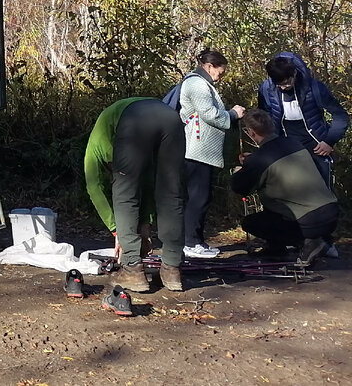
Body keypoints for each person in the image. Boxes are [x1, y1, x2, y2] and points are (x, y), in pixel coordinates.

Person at [84, 97, 185, 292]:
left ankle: (132, 269)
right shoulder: (109, 137)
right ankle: (172, 269)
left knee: (124, 191)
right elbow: (147, 181)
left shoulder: (95, 149)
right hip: (171, 118)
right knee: (172, 192)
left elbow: (94, 188)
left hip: (135, 119)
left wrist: (118, 231)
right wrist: (142, 226)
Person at [231, 108, 339, 266]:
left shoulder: (259, 160)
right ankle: (278, 249)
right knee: (274, 201)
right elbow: (274, 159)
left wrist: (241, 170)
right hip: (332, 212)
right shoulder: (293, 142)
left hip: (310, 221)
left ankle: (310, 243)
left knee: (251, 222)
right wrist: (252, 162)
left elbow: (239, 187)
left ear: (251, 133)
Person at [178, 49, 244, 259]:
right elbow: (210, 114)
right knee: (198, 197)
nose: (220, 77)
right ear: (209, 67)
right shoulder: (196, 83)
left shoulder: (202, 83)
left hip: (203, 149)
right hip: (196, 149)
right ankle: (190, 243)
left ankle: (196, 241)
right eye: (220, 72)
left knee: (202, 196)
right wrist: (233, 114)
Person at [257, 52, 348, 193]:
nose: (284, 87)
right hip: (285, 145)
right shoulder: (266, 90)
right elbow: (264, 118)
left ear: (294, 74)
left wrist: (329, 141)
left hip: (316, 144)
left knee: (323, 191)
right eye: (279, 84)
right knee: (293, 192)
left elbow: (341, 116)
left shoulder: (314, 88)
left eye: (287, 82)